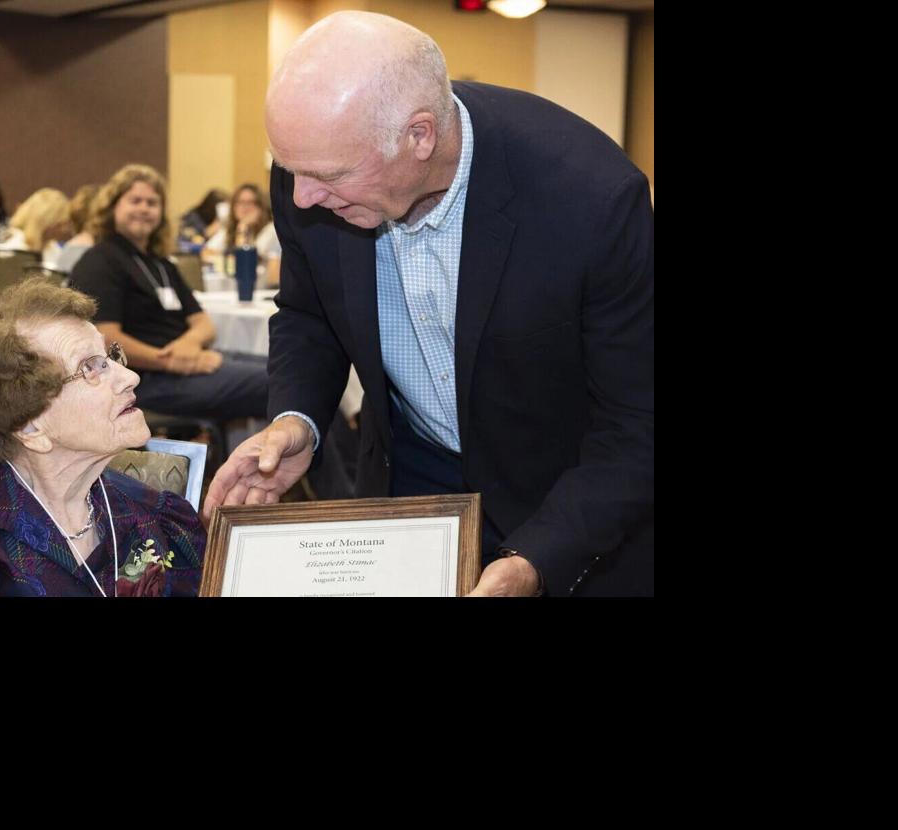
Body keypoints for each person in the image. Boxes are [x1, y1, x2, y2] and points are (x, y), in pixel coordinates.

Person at [205, 11, 655, 597]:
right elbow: (308, 314)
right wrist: (299, 419)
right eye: (290, 172)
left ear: (420, 136)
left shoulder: (590, 200)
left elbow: (636, 423)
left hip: (566, 499)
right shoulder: (311, 168)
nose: (302, 197)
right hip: (410, 482)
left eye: (327, 175)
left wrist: (535, 560)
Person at [0, 276, 204, 597]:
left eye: (110, 357)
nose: (130, 377)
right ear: (30, 428)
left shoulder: (154, 512)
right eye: (91, 367)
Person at [66, 164, 268, 425]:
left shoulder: (162, 264)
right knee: (283, 384)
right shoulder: (99, 262)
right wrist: (170, 362)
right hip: (143, 381)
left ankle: (332, 464)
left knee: (291, 368)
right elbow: (105, 340)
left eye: (152, 202)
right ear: (112, 207)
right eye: (135, 200)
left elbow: (203, 323)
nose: (143, 208)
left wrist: (187, 346)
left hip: (186, 368)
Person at [203, 182, 282, 288]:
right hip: (230, 289)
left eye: (250, 203)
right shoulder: (228, 230)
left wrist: (243, 228)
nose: (244, 207)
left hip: (258, 290)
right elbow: (206, 253)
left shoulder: (270, 231)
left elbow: (245, 259)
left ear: (261, 207)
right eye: (240, 202)